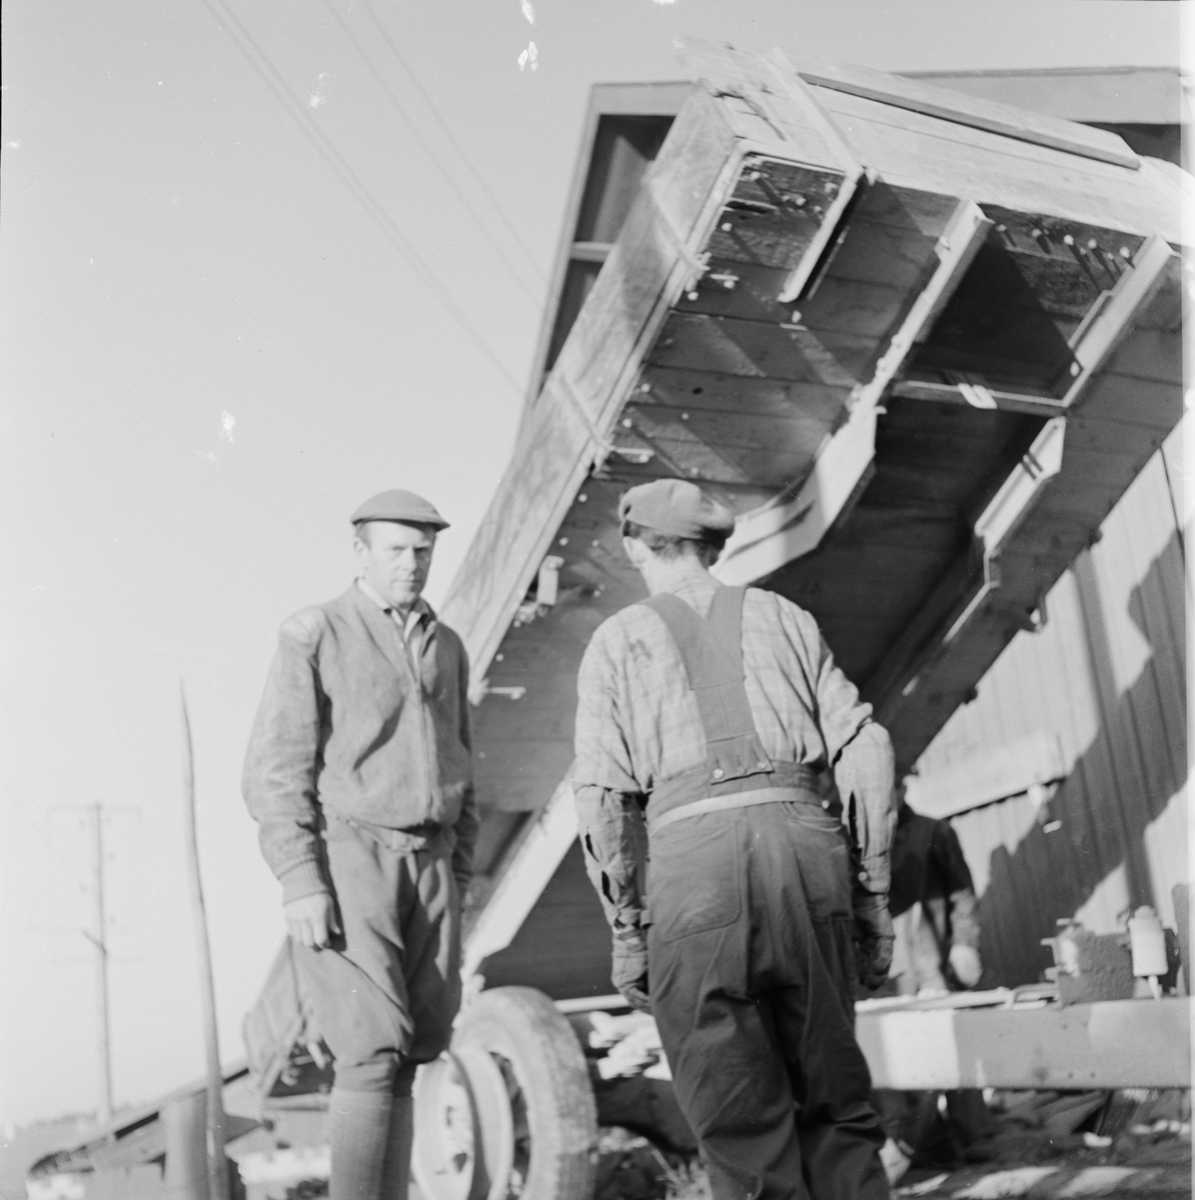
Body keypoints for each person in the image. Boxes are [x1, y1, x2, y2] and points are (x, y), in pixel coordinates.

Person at [572, 478, 896, 1200]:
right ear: (715, 544)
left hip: (694, 872)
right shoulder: (784, 618)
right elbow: (866, 750)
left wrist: (628, 929)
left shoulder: (616, 642)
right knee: (837, 1109)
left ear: (635, 547)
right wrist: (871, 894)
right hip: (805, 853)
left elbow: (600, 801)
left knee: (740, 1124)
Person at [243, 489, 477, 1200]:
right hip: (351, 859)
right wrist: (300, 879)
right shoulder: (314, 633)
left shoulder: (448, 644)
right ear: (360, 553)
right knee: (370, 1046)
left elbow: (464, 758)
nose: (412, 565)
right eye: (396, 550)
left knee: (417, 1047)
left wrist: (459, 869)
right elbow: (274, 769)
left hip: (430, 860)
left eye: (424, 551)